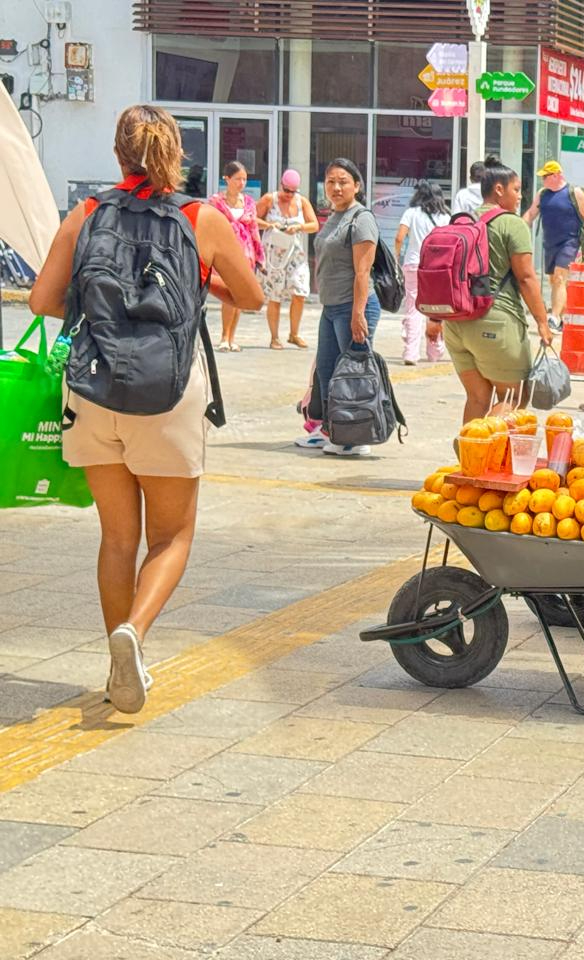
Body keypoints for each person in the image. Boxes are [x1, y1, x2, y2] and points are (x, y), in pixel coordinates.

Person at [28, 104, 264, 714]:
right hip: (168, 394)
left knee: (116, 538)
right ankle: (134, 633)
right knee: (173, 534)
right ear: (175, 154)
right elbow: (254, 297)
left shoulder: (85, 214)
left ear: (117, 154)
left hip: (93, 388)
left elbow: (42, 300)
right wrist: (197, 280)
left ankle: (117, 665)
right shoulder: (201, 217)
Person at [445, 157, 554, 422]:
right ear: (499, 190)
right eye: (516, 189)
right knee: (514, 397)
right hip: (495, 323)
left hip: (456, 324)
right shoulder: (512, 223)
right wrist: (542, 321)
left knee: (478, 397)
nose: (520, 196)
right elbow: (527, 277)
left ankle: (471, 457)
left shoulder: (463, 221)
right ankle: (478, 439)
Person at [296, 158, 382, 456]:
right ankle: (334, 429)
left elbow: (363, 272)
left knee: (352, 376)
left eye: (343, 181)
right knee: (328, 372)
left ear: (356, 185)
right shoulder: (334, 216)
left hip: (353, 307)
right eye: (330, 181)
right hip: (331, 307)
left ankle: (357, 435)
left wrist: (358, 314)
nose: (336, 187)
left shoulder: (361, 218)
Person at [523, 160, 584, 324]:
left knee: (559, 278)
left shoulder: (574, 192)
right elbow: (531, 213)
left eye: (545, 176)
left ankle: (554, 317)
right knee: (554, 280)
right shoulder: (543, 193)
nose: (543, 180)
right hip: (550, 242)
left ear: (556, 176)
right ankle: (563, 318)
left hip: (570, 242)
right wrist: (519, 227)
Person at [255, 168, 317, 350]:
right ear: (281, 185)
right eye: (286, 190)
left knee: (300, 291)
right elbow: (252, 219)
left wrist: (299, 227)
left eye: (293, 191)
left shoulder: (301, 202)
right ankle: (274, 337)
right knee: (275, 296)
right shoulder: (269, 199)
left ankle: (294, 333)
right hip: (274, 254)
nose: (289, 195)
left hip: (295, 254)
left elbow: (314, 225)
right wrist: (269, 224)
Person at [209, 160, 264, 351]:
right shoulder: (216, 201)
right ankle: (224, 336)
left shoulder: (248, 202)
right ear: (227, 179)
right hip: (226, 251)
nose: (241, 183)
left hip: (246, 252)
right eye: (237, 179)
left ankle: (233, 337)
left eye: (244, 179)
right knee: (228, 292)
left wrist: (260, 257)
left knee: (240, 294)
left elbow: (254, 229)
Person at [395, 180, 451, 365]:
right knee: (434, 309)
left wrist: (397, 258)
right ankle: (434, 352)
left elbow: (399, 237)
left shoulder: (411, 213)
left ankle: (411, 353)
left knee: (413, 309)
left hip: (413, 265)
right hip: (437, 269)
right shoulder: (446, 217)